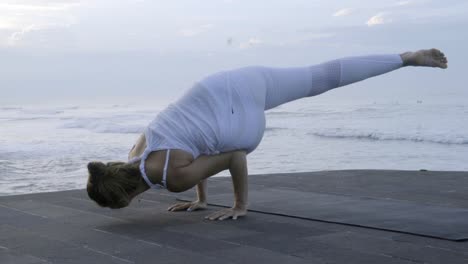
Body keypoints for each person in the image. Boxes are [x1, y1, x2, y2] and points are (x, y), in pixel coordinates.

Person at [87, 49, 448, 220]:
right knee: (317, 76)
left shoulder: (173, 177)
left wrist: (239, 205)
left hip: (237, 117)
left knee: (237, 144)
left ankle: (403, 60)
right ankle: (404, 58)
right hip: (229, 82)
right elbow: (191, 148)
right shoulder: (136, 149)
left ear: (127, 196)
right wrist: (200, 198)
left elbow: (231, 157)